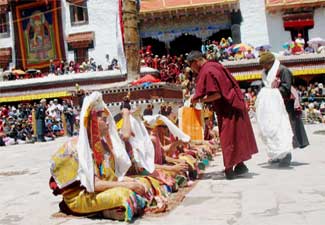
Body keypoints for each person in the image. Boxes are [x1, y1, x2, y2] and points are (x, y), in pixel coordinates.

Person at [49, 92, 146, 221]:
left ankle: (109, 209)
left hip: (98, 191)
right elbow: (94, 184)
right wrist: (128, 186)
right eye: (101, 116)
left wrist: (129, 181)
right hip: (81, 195)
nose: (107, 121)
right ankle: (107, 211)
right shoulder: (75, 147)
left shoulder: (103, 145)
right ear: (92, 120)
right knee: (125, 195)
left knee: (143, 183)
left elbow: (112, 177)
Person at [187, 51, 258, 179]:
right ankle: (240, 165)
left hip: (229, 107)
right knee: (236, 136)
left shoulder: (207, 70)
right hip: (234, 104)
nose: (193, 70)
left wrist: (200, 100)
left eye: (191, 66)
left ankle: (229, 169)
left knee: (228, 137)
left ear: (196, 62)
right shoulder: (215, 65)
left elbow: (217, 94)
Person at [257, 52, 309, 166]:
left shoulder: (283, 70)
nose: (263, 67)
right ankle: (277, 154)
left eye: (265, 64)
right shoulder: (265, 73)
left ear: (270, 63)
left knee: (285, 129)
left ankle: (286, 155)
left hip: (285, 105)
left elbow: (286, 87)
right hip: (271, 106)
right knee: (273, 130)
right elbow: (264, 86)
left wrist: (271, 92)